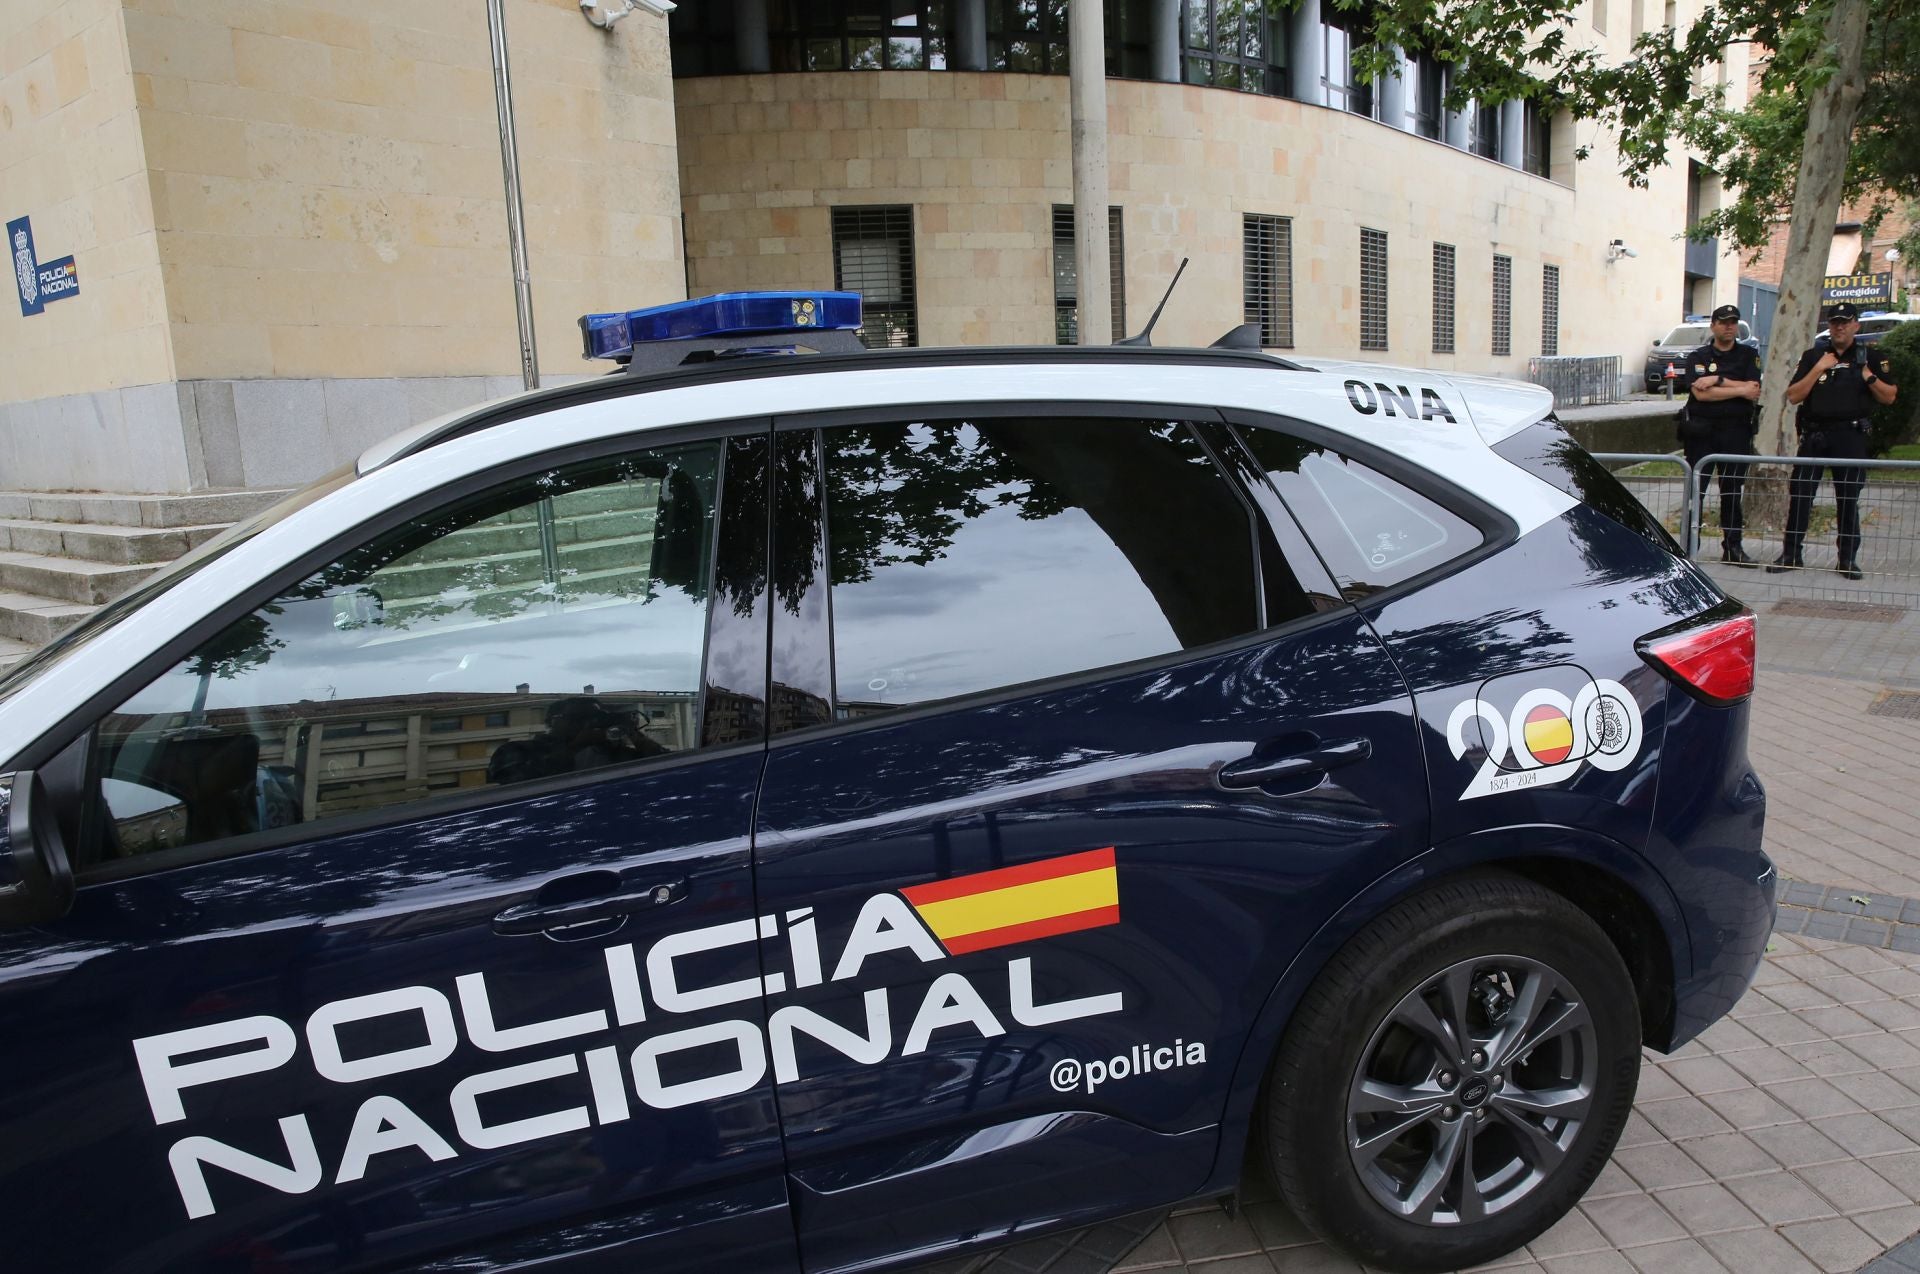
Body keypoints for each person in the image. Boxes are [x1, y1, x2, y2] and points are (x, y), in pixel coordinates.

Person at [1770, 302, 1901, 580]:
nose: (1840, 327)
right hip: (1815, 435)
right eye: (1835, 322)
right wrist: (1818, 368)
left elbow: (1889, 396)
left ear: (1856, 325)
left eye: (1845, 322)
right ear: (1829, 326)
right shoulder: (1813, 356)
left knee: (1848, 498)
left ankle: (1847, 559)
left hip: (1850, 436)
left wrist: (1869, 376)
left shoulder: (1871, 356)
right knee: (1801, 495)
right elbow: (1793, 396)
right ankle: (1791, 554)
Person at [1678, 304, 1763, 565]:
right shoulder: (1698, 357)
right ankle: (1689, 548)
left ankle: (1733, 548)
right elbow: (1700, 394)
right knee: (1696, 491)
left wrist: (1718, 381)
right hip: (1701, 432)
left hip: (1736, 432)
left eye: (1733, 322)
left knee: (1732, 492)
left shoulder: (1748, 355)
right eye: (1724, 322)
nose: (1729, 326)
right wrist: (1739, 389)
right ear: (1713, 325)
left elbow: (1754, 389)